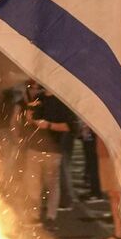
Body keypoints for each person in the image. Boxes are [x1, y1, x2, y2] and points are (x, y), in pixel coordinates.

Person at [19, 80, 74, 226]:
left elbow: (70, 126)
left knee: (52, 185)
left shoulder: (62, 103)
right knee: (33, 184)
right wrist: (29, 116)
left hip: (53, 150)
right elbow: (30, 122)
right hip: (34, 148)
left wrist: (48, 125)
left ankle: (51, 216)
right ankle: (34, 215)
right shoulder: (39, 100)